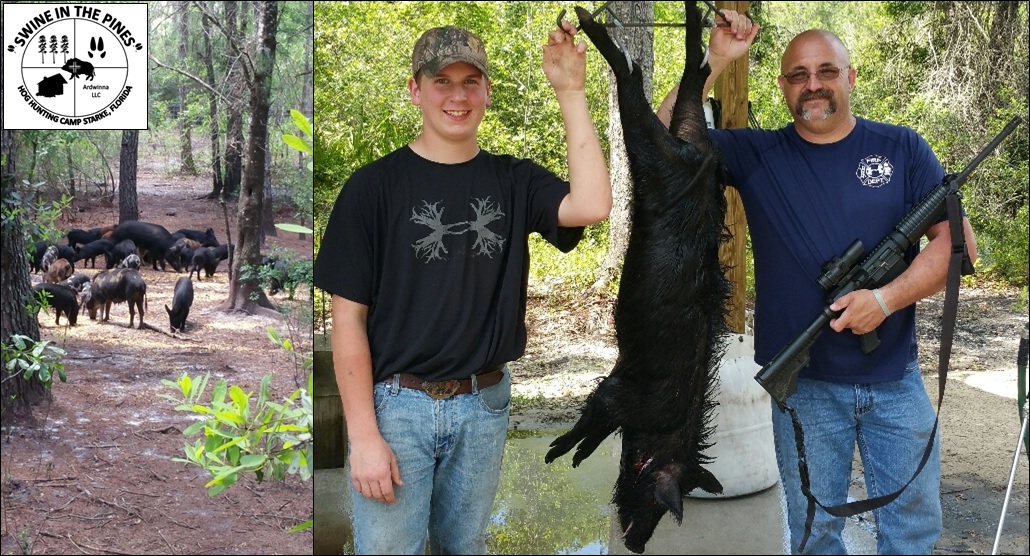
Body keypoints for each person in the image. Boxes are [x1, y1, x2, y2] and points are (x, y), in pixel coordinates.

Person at [658, 10, 978, 555]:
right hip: (802, 387)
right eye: (798, 74)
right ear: (782, 85)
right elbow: (664, 134)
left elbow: (958, 245)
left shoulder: (902, 148)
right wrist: (714, 59)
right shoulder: (756, 152)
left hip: (895, 380)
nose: (813, 85)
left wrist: (884, 298)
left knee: (912, 533)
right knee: (814, 534)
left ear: (850, 78)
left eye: (827, 71)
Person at [313, 21, 611, 555]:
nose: (457, 95)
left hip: (484, 404)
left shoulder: (514, 180)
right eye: (441, 81)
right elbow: (347, 320)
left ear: (488, 92)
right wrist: (362, 436)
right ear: (415, 89)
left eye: (470, 81)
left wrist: (570, 91)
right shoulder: (372, 188)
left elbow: (591, 204)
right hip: (395, 406)